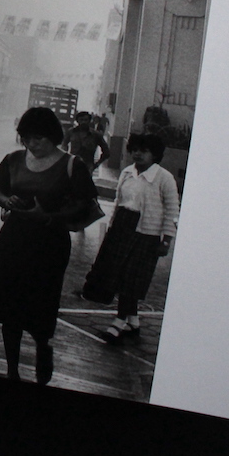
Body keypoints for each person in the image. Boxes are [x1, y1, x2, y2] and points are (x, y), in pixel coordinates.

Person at [0, 107, 98, 385]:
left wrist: (47, 216)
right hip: (13, 240)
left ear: (53, 137)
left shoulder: (72, 165)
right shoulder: (13, 159)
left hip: (50, 244)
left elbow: (84, 204)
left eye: (38, 138)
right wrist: (6, 201)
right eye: (26, 138)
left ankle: (43, 347)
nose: (31, 144)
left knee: (41, 304)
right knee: (9, 307)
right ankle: (12, 370)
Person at [79, 132, 179, 343]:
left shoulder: (164, 178)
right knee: (118, 276)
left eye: (144, 151)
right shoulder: (126, 173)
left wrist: (167, 240)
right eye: (134, 150)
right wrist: (112, 228)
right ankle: (133, 321)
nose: (137, 154)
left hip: (146, 233)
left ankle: (119, 322)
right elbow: (118, 202)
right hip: (122, 228)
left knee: (132, 278)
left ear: (155, 154)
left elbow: (172, 211)